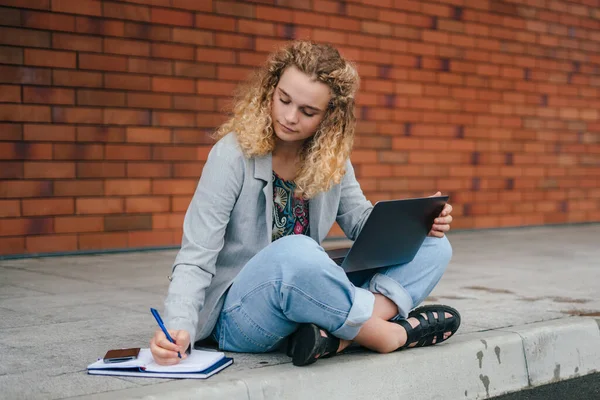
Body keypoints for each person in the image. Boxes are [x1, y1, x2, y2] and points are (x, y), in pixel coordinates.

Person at [149, 40, 460, 367]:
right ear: (270, 89)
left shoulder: (330, 158)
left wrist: (416, 222)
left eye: (308, 111)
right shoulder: (231, 156)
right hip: (240, 313)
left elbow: (361, 225)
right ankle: (384, 332)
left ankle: (339, 336)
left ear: (329, 117)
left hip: (306, 294)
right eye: (283, 100)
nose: (289, 116)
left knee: (434, 246)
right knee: (297, 252)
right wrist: (178, 326)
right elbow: (195, 256)